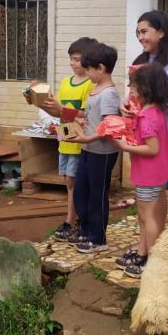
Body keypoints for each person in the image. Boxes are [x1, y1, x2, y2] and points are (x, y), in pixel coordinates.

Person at [113, 63, 168, 277]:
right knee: (148, 216)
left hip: (148, 175)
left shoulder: (147, 118)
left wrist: (125, 146)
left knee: (146, 216)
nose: (130, 90)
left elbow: (152, 149)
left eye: (133, 86)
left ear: (145, 88)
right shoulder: (153, 111)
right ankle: (144, 252)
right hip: (155, 173)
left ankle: (152, 261)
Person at [64, 43, 122, 254]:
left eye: (88, 69)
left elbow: (109, 126)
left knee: (97, 195)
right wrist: (77, 121)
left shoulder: (109, 94)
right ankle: (86, 230)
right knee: (81, 191)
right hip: (88, 149)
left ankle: (98, 239)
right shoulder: (95, 90)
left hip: (102, 152)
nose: (85, 73)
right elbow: (89, 117)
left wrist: (87, 138)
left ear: (101, 68)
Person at [39, 37, 97, 241]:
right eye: (71, 58)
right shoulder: (65, 82)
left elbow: (84, 114)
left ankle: (71, 221)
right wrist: (42, 104)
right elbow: (59, 112)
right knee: (68, 182)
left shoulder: (90, 85)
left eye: (77, 59)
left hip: (79, 142)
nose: (73, 63)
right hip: (65, 139)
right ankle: (76, 220)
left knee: (75, 183)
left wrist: (61, 109)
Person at [130, 11, 168, 137]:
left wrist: (146, 100)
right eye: (138, 33)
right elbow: (132, 94)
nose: (140, 38)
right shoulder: (138, 62)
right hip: (137, 131)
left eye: (144, 32)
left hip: (160, 134)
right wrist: (125, 104)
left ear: (161, 32)